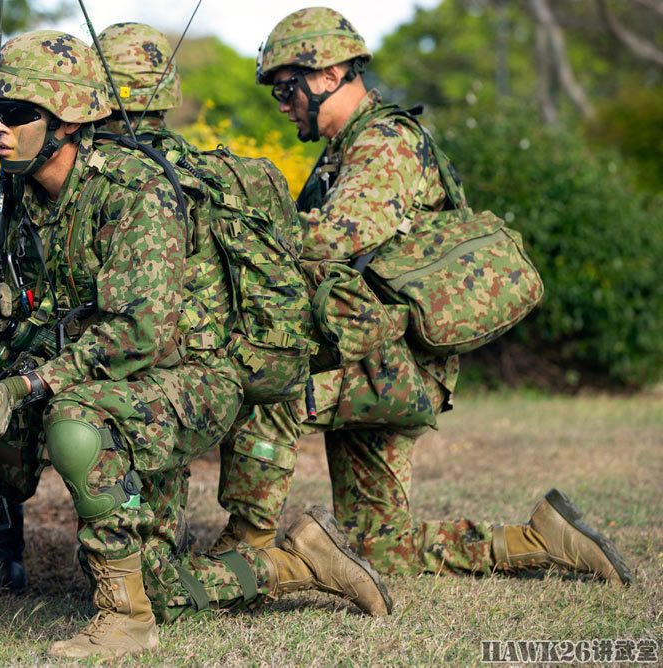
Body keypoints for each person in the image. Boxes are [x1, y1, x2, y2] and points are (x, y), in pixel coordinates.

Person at [0, 30, 391, 660]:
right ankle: (294, 562)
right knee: (159, 581)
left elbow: (141, 332)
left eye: (20, 113)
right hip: (126, 382)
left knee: (77, 422)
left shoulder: (135, 191)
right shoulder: (21, 200)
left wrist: (33, 382)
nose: (1, 129)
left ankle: (125, 623)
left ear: (68, 120)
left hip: (190, 378)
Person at [208, 6, 633, 587]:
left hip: (391, 361)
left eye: (287, 87)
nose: (282, 104)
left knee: (271, 387)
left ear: (330, 74)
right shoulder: (346, 150)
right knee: (380, 549)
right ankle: (539, 541)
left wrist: (231, 225)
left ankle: (240, 558)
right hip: (377, 352)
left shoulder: (384, 143)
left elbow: (338, 238)